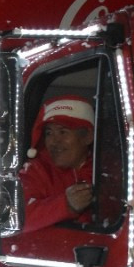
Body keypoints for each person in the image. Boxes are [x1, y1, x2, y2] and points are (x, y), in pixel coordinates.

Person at [20, 95, 96, 233]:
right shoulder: (36, 171)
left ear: (87, 137)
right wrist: (66, 205)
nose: (54, 141)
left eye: (63, 132)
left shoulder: (107, 171)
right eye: (49, 133)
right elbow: (15, 218)